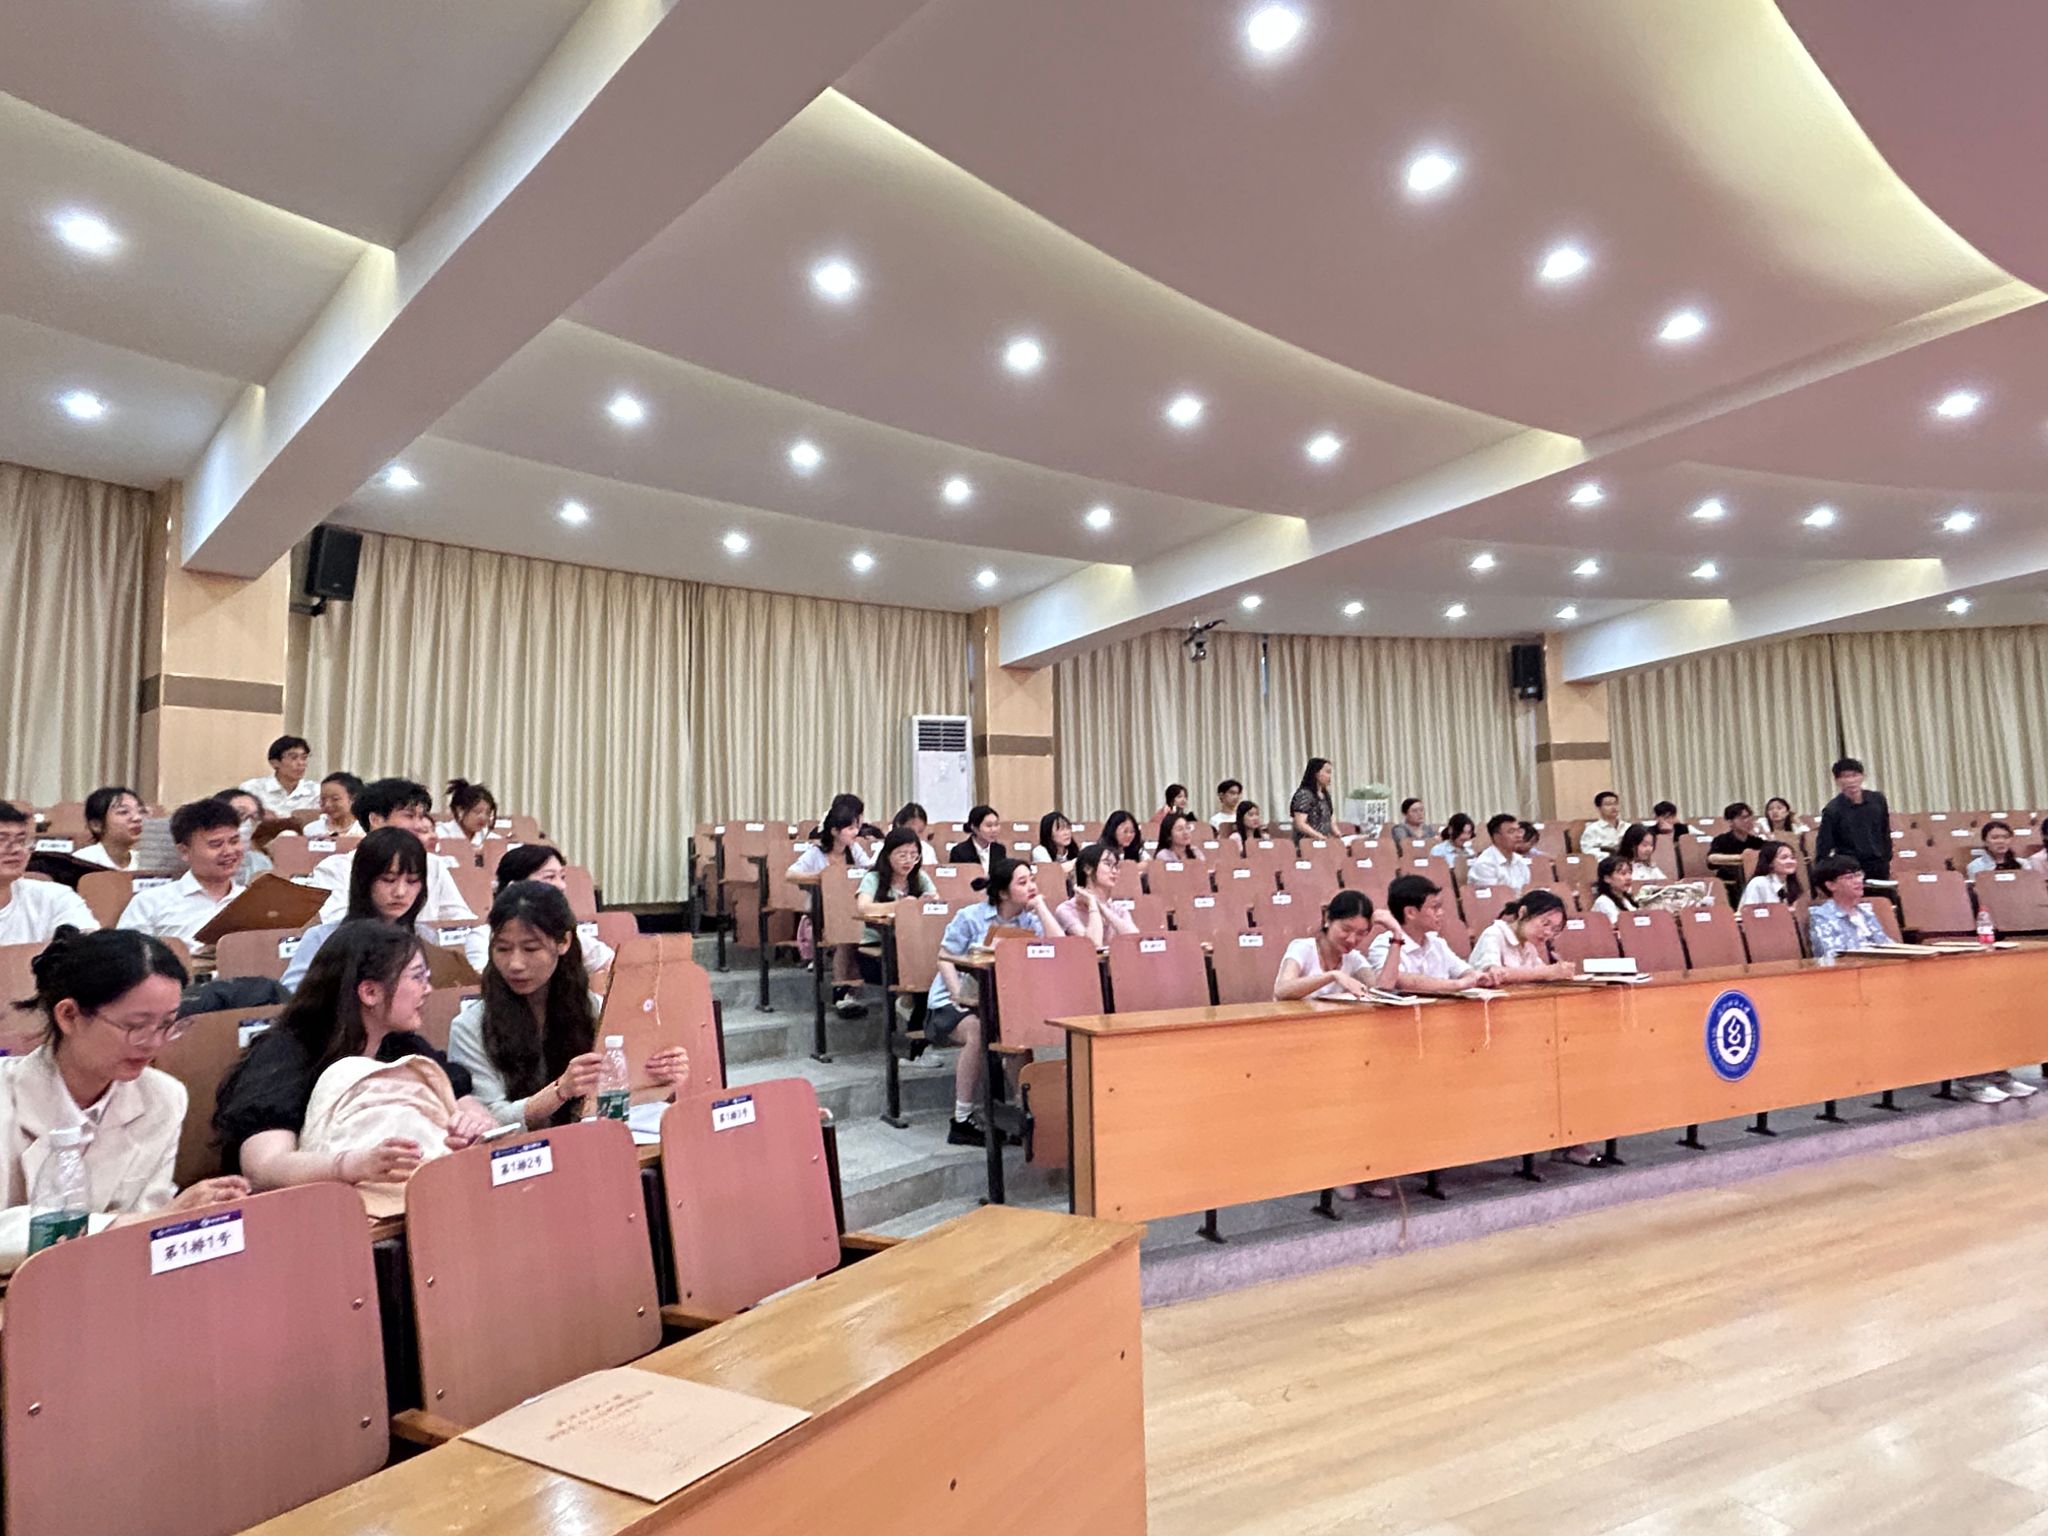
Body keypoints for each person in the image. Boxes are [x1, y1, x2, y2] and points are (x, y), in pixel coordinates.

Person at [0, 930, 248, 1269]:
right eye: (136, 1026)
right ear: (69, 1015)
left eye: (167, 1025)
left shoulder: (163, 1097)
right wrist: (134, 1223)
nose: (154, 1044)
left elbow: (150, 1214)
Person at [213, 920, 495, 1186]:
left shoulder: (403, 1046)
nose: (428, 990)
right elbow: (263, 1167)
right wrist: (351, 1165)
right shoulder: (286, 1054)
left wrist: (472, 1125)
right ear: (370, 992)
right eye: (417, 977)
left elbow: (462, 1101)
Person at [448, 882, 687, 1128]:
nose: (515, 964)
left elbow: (621, 1094)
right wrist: (560, 1091)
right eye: (503, 949)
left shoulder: (594, 1009)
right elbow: (488, 1121)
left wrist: (661, 1077)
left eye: (530, 948)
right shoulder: (469, 1027)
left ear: (563, 942)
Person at [927, 858, 1064, 1146]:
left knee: (1018, 1033)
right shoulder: (970, 917)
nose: (1031, 886)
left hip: (1000, 1004)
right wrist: (959, 996)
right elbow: (945, 958)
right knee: (978, 1031)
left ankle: (1023, 1114)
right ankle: (961, 1119)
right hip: (952, 1004)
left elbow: (1059, 947)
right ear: (1003, 892)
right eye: (1022, 882)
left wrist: (1041, 906)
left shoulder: (1030, 920)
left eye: (1032, 880)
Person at [307, 779, 475, 927]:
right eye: (409, 816)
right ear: (376, 820)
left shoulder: (433, 864)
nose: (419, 825)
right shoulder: (335, 868)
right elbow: (339, 926)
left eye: (421, 816)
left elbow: (462, 921)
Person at [281, 827, 429, 992]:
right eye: (388, 880)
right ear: (364, 880)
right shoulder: (323, 938)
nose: (400, 892)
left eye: (412, 881)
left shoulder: (426, 939)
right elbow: (291, 997)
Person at [460, 843, 615, 975]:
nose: (562, 886)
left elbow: (611, 964)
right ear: (514, 887)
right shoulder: (482, 937)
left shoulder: (566, 932)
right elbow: (482, 985)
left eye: (562, 877)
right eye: (549, 877)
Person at [116, 798, 242, 944]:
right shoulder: (150, 903)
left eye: (234, 841)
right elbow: (124, 953)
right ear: (184, 851)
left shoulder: (252, 900)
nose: (229, 851)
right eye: (216, 844)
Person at [789, 807, 874, 1018]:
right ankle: (842, 991)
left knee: (855, 928)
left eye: (856, 827)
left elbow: (868, 870)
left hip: (850, 909)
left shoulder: (854, 850)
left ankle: (850, 991)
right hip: (822, 913)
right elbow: (790, 874)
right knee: (846, 934)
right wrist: (824, 877)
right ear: (835, 831)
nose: (855, 832)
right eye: (850, 828)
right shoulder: (816, 852)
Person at [1365, 875, 1507, 994]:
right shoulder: (1384, 944)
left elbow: (1464, 971)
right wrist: (1457, 985)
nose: (1441, 913)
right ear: (1410, 912)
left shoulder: (1437, 943)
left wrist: (1479, 977)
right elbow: (1399, 980)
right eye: (1434, 907)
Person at [0, 805, 99, 943]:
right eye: (2, 840)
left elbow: (91, 948)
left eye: (21, 841)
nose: (17, 849)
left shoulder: (55, 897)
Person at [1274, 889, 1387, 1001]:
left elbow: (1379, 991)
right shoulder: (1303, 948)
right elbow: (1281, 990)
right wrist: (1333, 976)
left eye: (1360, 933)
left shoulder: (1353, 958)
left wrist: (1395, 931)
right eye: (1346, 929)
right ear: (1327, 919)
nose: (1352, 940)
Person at [855, 827, 938, 975]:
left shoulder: (919, 876)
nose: (909, 861)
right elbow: (863, 907)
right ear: (888, 855)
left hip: (913, 939)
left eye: (914, 855)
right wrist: (902, 906)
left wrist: (926, 902)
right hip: (879, 943)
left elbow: (936, 899)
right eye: (902, 855)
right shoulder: (873, 878)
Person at [1468, 890, 1578, 982]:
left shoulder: (1529, 945)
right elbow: (1491, 975)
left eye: (1554, 929)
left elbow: (1541, 971)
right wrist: (1547, 972)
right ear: (1523, 912)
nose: (1548, 933)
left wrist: (1561, 971)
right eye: (1545, 923)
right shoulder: (1494, 934)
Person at [1815, 758, 1892, 881]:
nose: (1851, 781)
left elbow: (1885, 830)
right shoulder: (1832, 810)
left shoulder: (1878, 800)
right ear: (1837, 781)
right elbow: (1824, 845)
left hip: (1879, 864)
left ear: (1863, 776)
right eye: (1845, 777)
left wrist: (1886, 857)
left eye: (1854, 775)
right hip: (1850, 868)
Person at [1805, 856, 1891, 963]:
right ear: (1831, 885)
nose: (1858, 881)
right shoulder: (1822, 916)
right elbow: (1831, 956)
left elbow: (1886, 945)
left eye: (1859, 875)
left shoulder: (1866, 913)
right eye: (1849, 877)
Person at [1055, 844, 1140, 945]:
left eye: (1116, 866)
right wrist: (1093, 904)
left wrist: (1102, 907)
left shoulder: (1118, 909)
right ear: (1088, 869)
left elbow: (1135, 939)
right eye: (1108, 864)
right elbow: (1094, 945)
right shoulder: (1066, 910)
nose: (1114, 871)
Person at [240, 735, 318, 818]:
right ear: (274, 763)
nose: (301, 763)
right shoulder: (251, 789)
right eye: (294, 758)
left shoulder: (316, 790)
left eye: (304, 758)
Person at [75, 785, 146, 871]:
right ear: (96, 825)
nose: (138, 818)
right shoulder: (82, 861)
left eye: (141, 811)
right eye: (123, 812)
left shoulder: (146, 862)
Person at [1707, 802, 1768, 901]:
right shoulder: (1721, 840)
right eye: (1742, 818)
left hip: (1753, 880)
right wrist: (1742, 858)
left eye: (1749, 817)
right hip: (1730, 882)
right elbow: (1711, 859)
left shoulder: (1756, 841)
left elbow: (1773, 851)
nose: (1747, 821)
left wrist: (1765, 833)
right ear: (1730, 822)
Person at [1466, 813, 1533, 892]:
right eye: (1511, 831)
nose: (1519, 836)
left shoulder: (1519, 860)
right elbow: (1493, 897)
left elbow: (1526, 890)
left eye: (1519, 831)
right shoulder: (1485, 864)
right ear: (1496, 837)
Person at [435, 779, 498, 849]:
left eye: (488, 813)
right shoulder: (441, 833)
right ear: (460, 811)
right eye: (477, 812)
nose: (483, 817)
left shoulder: (489, 837)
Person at [301, 772, 364, 839]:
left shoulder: (364, 830)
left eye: (335, 799)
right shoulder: (311, 830)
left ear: (353, 799)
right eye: (323, 799)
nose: (327, 804)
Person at [1740, 842, 1804, 907]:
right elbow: (1748, 911)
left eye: (1793, 858)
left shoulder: (1789, 885)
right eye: (1784, 858)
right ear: (1770, 862)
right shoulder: (1759, 883)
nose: (1791, 861)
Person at [1289, 758, 1336, 841]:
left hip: (1323, 841)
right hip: (1307, 842)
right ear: (1316, 773)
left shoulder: (1325, 795)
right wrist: (1319, 836)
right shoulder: (1304, 794)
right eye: (1327, 772)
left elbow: (1330, 818)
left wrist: (1338, 834)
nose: (1329, 776)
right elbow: (1300, 823)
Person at [949, 805, 1002, 872]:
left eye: (996, 824)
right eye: (989, 825)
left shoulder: (999, 849)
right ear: (974, 828)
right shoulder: (959, 852)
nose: (994, 830)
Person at [1577, 791, 1628, 857]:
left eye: (1615, 804)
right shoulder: (1592, 829)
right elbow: (1587, 851)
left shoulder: (1628, 827)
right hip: (1605, 861)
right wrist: (1610, 855)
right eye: (1608, 804)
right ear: (1599, 808)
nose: (1613, 807)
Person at [891, 802, 942, 866]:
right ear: (899, 825)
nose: (916, 836)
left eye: (920, 831)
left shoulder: (927, 850)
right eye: (911, 831)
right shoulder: (883, 847)